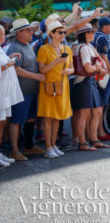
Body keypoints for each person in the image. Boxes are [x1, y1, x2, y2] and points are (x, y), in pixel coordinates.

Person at [6, 19, 46, 161]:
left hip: (31, 90)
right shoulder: (15, 47)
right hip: (21, 91)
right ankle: (14, 151)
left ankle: (29, 146)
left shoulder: (27, 45)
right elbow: (16, 70)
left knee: (30, 119)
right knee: (16, 121)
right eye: (28, 30)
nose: (31, 32)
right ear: (19, 32)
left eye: (31, 29)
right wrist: (36, 76)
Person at [37, 21, 74, 159]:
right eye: (59, 32)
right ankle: (48, 147)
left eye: (64, 32)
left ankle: (53, 145)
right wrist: (55, 63)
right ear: (51, 33)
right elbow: (42, 70)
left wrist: (69, 70)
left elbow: (73, 68)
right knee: (48, 116)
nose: (62, 35)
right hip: (49, 86)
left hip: (63, 86)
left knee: (57, 117)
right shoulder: (44, 49)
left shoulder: (67, 49)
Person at [70, 24, 109, 151]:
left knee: (96, 111)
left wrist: (99, 68)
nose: (94, 33)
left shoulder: (89, 46)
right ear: (86, 34)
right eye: (92, 32)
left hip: (89, 81)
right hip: (84, 81)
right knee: (84, 112)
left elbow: (98, 63)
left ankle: (94, 139)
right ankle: (83, 142)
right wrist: (99, 69)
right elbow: (87, 67)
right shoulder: (84, 48)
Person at [0, 24, 24, 168]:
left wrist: (10, 58)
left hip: (5, 93)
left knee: (3, 123)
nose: (3, 37)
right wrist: (8, 65)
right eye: (1, 34)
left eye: (3, 34)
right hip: (1, 93)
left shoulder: (2, 49)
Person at [92, 17, 110, 141]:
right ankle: (100, 132)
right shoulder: (102, 38)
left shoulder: (94, 36)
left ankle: (95, 132)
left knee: (96, 105)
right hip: (102, 74)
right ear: (104, 26)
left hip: (94, 73)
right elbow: (104, 57)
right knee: (101, 105)